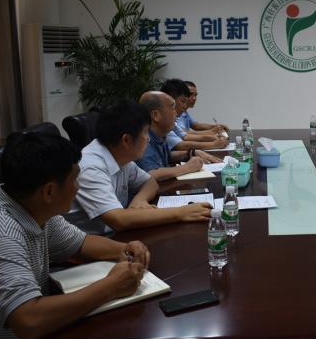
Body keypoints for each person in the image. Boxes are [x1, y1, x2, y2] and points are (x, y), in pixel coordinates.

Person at [0, 132, 150, 339]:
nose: (77, 188)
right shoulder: (2, 234)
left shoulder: (33, 208)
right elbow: (28, 321)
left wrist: (124, 249)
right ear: (49, 191)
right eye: (74, 180)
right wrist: (111, 287)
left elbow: (81, 243)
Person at [65, 101, 212, 235]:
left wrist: (139, 200)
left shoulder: (119, 154)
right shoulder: (91, 167)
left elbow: (149, 182)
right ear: (126, 140)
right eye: (146, 132)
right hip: (91, 245)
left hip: (117, 234)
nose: (148, 138)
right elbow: (118, 219)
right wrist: (181, 213)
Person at [136, 91, 222, 182]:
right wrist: (189, 167)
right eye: (172, 108)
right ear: (155, 115)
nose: (176, 114)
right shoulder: (143, 138)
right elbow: (150, 174)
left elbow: (168, 156)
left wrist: (192, 153)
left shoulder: (160, 134)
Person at [160, 79, 229, 151]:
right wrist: (213, 143)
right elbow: (180, 145)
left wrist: (212, 136)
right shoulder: (164, 122)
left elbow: (186, 135)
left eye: (195, 95)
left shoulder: (174, 119)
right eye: (183, 101)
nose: (194, 98)